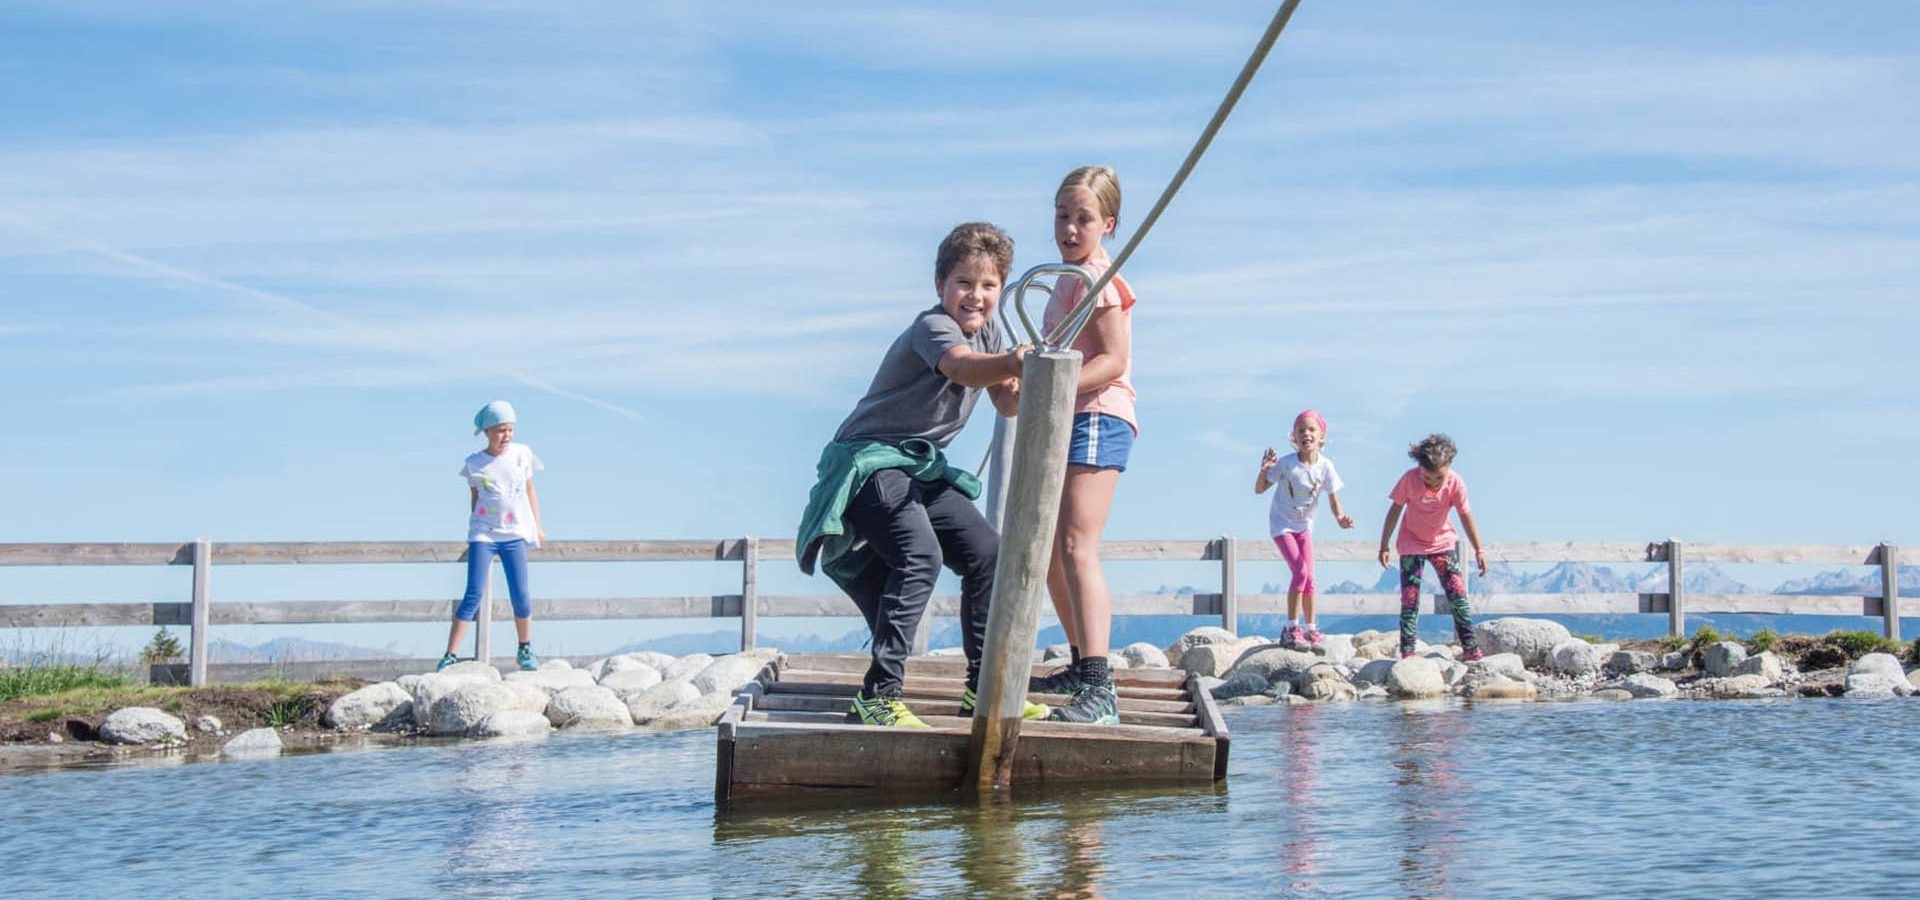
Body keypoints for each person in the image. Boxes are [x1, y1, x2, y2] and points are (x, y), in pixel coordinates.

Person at [797, 222, 1046, 728]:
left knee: (987, 554)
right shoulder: (932, 327)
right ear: (940, 285)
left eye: (988, 286)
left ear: (1001, 289)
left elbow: (1006, 401)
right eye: (963, 282)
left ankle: (984, 688)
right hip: (867, 461)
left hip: (916, 464)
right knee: (920, 555)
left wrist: (1037, 378)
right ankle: (879, 696)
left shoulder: (993, 333)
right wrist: (1010, 361)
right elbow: (963, 368)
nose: (975, 296)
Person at [1030, 165, 1138, 725]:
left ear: (1108, 224)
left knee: (1076, 545)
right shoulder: (1066, 277)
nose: (1070, 228)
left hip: (1099, 415)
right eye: (1063, 216)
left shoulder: (1099, 276)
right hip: (1070, 415)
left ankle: (1100, 687)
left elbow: (1115, 361)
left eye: (1084, 219)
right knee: (1050, 552)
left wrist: (1053, 380)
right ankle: (1079, 661)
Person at [440, 400, 546, 672]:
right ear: (487, 432)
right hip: (483, 536)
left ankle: (525, 648)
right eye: (500, 430)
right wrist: (474, 526)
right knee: (473, 593)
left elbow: (530, 491)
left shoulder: (522, 454)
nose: (506, 436)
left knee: (520, 593)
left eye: (510, 429)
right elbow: (475, 498)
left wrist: (537, 525)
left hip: (513, 534)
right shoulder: (475, 463)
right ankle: (451, 654)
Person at [1377, 433, 1485, 660]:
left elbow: (1466, 516)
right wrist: (1384, 544)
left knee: (1457, 594)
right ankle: (1408, 652)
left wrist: (1479, 549)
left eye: (1438, 478)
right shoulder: (1409, 479)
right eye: (1427, 478)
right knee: (1410, 599)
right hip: (1411, 543)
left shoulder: (1455, 482)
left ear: (1449, 465)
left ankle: (1470, 648)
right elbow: (1395, 510)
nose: (1433, 484)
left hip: (1442, 541)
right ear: (1419, 468)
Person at [1254, 409, 1354, 650]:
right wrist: (1265, 470)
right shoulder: (1287, 464)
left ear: (1321, 437)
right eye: (1301, 430)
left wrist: (1340, 517)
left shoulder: (1326, 467)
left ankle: (1311, 629)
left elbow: (1333, 498)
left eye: (1311, 430)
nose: (1306, 434)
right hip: (1282, 525)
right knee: (1299, 572)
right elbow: (1259, 489)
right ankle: (1290, 628)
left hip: (1304, 525)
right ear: (1294, 437)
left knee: (1310, 579)